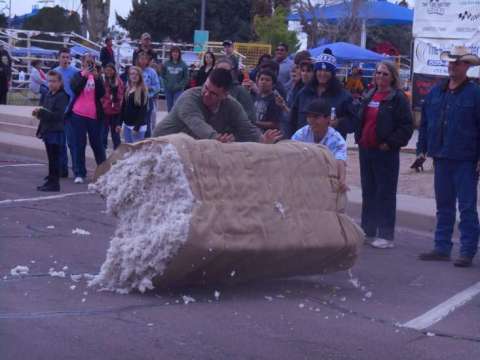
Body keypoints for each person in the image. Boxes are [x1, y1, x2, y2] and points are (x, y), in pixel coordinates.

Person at [417, 46, 480, 267]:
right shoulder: (437, 91)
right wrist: (421, 149)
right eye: (451, 61)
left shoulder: (475, 93)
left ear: (467, 66)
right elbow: (425, 122)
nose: (452, 65)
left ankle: (467, 250)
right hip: (441, 157)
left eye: (458, 62)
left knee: (467, 207)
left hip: (466, 159)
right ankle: (441, 247)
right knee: (443, 205)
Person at [355, 61, 413, 249]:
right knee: (368, 191)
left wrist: (390, 143)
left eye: (385, 74)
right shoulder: (369, 94)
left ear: (393, 77)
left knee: (385, 193)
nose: (380, 77)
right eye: (378, 73)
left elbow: (406, 127)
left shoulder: (398, 99)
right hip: (366, 150)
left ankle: (386, 235)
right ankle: (368, 230)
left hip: (385, 152)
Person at [153, 68, 282, 144]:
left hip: (188, 150)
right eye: (205, 88)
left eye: (213, 93)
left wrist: (262, 139)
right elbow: (199, 126)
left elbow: (246, 127)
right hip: (160, 145)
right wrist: (217, 139)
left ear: (225, 95)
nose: (206, 94)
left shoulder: (232, 105)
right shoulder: (188, 98)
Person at [290, 53, 357, 139]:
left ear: (333, 74)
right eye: (319, 70)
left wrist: (338, 122)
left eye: (327, 71)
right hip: (305, 145)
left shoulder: (344, 96)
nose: (322, 74)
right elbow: (293, 119)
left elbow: (353, 121)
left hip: (331, 145)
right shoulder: (304, 92)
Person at [291, 98, 348, 193]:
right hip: (301, 179)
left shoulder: (337, 140)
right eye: (309, 116)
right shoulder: (301, 134)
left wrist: (342, 179)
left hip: (324, 182)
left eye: (316, 117)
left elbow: (340, 161)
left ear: (328, 119)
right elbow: (289, 152)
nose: (311, 120)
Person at [68, 53, 106, 184]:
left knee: (98, 145)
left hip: (94, 116)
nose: (90, 64)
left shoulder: (97, 76)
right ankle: (79, 173)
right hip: (78, 114)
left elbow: (102, 94)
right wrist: (84, 76)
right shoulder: (77, 75)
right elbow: (76, 89)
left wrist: (97, 78)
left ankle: (104, 172)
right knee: (79, 144)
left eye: (92, 62)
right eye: (87, 61)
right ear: (82, 62)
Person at [33, 70, 69, 192]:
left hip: (56, 130)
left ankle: (55, 183)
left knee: (55, 158)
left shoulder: (63, 96)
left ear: (60, 82)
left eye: (54, 81)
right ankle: (51, 179)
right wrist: (39, 121)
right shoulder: (48, 94)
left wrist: (43, 113)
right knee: (50, 157)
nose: (51, 84)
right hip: (47, 130)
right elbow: (44, 111)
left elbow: (58, 115)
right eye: (49, 81)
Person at [54, 47, 78, 178]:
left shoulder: (75, 72)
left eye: (67, 57)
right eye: (63, 57)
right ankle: (62, 170)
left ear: (70, 58)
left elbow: (78, 91)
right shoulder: (54, 72)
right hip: (58, 113)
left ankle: (77, 169)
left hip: (72, 112)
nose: (65, 59)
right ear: (58, 58)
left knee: (72, 143)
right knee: (60, 143)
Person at [215, 58, 256, 124]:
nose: (223, 74)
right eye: (220, 71)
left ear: (232, 72)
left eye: (226, 71)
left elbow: (251, 118)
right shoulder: (208, 89)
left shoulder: (241, 91)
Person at [120, 66, 149, 143]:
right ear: (129, 76)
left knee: (137, 152)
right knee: (129, 150)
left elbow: (143, 111)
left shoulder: (142, 90)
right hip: (127, 125)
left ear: (140, 76)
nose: (134, 76)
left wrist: (137, 127)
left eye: (136, 74)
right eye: (132, 74)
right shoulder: (127, 89)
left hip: (137, 127)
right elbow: (123, 107)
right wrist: (119, 123)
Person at [101, 63, 124, 150]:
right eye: (107, 70)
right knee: (103, 134)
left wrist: (115, 88)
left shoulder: (119, 81)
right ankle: (103, 152)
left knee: (115, 136)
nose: (108, 72)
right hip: (105, 112)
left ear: (114, 71)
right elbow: (101, 96)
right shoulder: (103, 81)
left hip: (115, 112)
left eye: (110, 70)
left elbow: (120, 96)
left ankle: (117, 153)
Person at [137, 51, 161, 137]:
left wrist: (150, 88)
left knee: (147, 120)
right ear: (138, 60)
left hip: (148, 99)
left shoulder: (152, 72)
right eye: (141, 59)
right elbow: (128, 84)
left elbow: (157, 86)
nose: (143, 61)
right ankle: (136, 138)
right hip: (135, 99)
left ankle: (146, 139)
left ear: (147, 60)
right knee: (136, 119)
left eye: (145, 59)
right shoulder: (134, 70)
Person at [161, 46, 188, 112]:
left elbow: (186, 78)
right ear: (171, 53)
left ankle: (176, 120)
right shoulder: (166, 63)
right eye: (173, 52)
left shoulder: (184, 65)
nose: (175, 54)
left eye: (177, 52)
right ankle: (170, 120)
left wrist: (180, 85)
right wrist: (166, 84)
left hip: (179, 90)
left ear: (179, 54)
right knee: (169, 106)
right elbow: (162, 75)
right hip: (168, 89)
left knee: (177, 105)